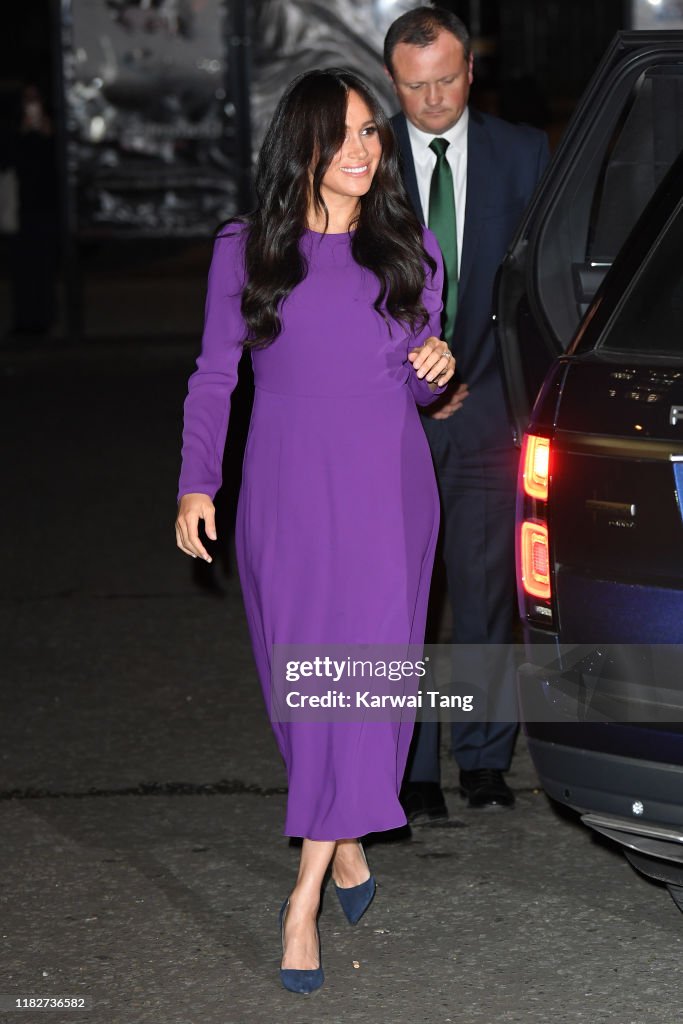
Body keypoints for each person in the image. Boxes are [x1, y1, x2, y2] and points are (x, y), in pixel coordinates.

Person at [175, 68, 455, 994]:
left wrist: (435, 362)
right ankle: (343, 846)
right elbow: (216, 376)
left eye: (374, 133)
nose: (366, 151)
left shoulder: (410, 248)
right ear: (300, 143)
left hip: (387, 494)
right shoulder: (245, 250)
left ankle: (301, 900)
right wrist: (194, 483)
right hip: (287, 496)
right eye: (345, 135)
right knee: (303, 692)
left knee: (358, 689)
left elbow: (421, 383)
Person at [383, 7, 550, 817]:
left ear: (470, 70)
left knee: (486, 592)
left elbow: (537, 287)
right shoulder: (363, 156)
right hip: (386, 421)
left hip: (485, 406)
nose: (433, 98)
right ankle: (410, 767)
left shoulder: (523, 153)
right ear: (392, 82)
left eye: (446, 79)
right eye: (414, 87)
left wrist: (502, 392)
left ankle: (483, 759)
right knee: (399, 599)